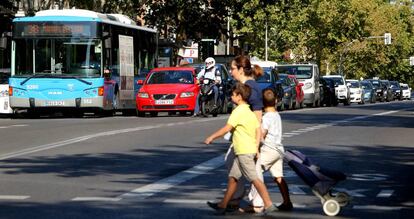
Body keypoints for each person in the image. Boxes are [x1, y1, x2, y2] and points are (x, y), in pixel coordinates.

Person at [205, 83, 277, 216]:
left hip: (244, 151)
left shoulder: (238, 111)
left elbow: (227, 128)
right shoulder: (249, 112)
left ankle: (268, 204)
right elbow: (257, 130)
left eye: (233, 95)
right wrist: (256, 147)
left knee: (254, 179)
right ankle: (222, 205)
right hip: (244, 150)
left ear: (239, 96)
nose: (231, 97)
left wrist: (212, 137)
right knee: (233, 178)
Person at [243, 88, 293, 213]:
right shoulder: (276, 115)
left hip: (269, 150)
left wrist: (255, 145)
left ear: (262, 103)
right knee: (279, 177)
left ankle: (256, 202)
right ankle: (287, 201)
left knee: (255, 173)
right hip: (278, 150)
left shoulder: (267, 118)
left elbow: (262, 135)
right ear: (276, 101)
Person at [223, 56, 264, 208]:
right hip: (242, 135)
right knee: (232, 162)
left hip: (249, 136)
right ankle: (236, 198)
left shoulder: (251, 88)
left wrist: (256, 141)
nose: (231, 72)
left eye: (233, 68)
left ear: (240, 69)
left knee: (253, 169)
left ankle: (258, 201)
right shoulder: (244, 85)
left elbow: (258, 115)